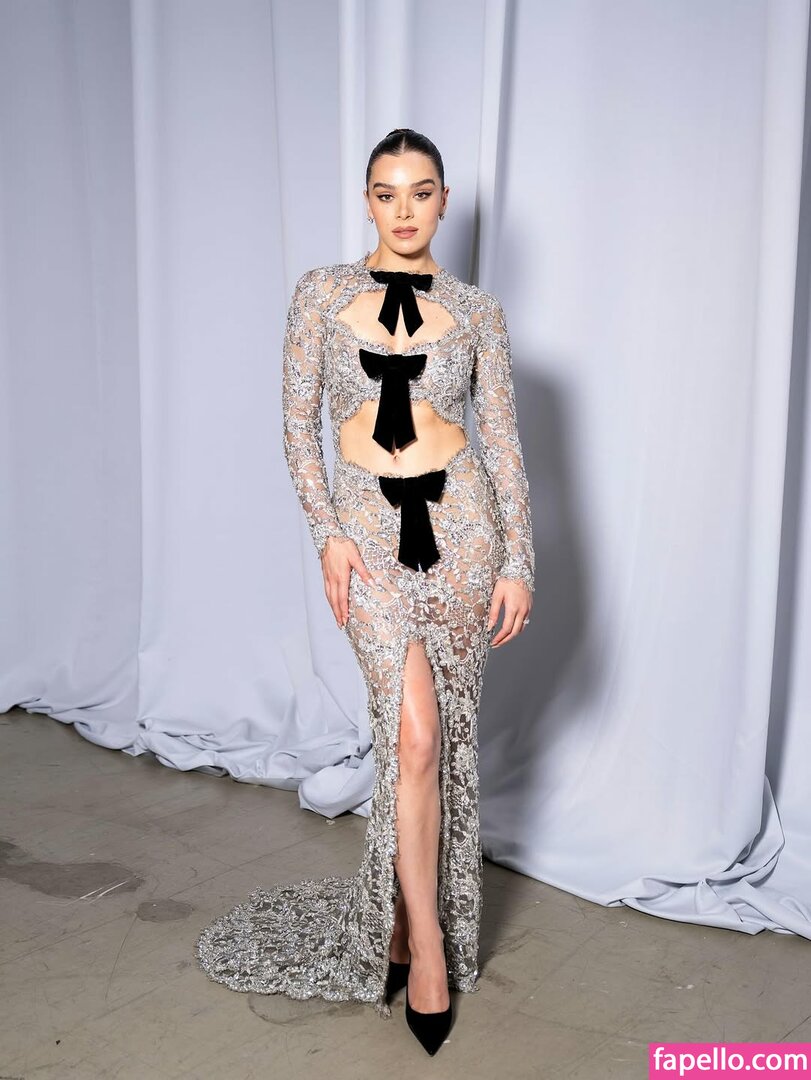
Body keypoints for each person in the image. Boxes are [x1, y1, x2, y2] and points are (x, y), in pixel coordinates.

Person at [195, 128, 535, 1056]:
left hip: (464, 533)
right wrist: (329, 534)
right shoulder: (320, 293)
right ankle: (425, 952)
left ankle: (405, 924)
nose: (404, 209)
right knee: (411, 736)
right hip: (369, 540)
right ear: (367, 200)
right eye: (387, 193)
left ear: (444, 200)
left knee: (439, 742)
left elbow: (502, 443)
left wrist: (518, 561)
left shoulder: (479, 312)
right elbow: (296, 428)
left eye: (421, 192)